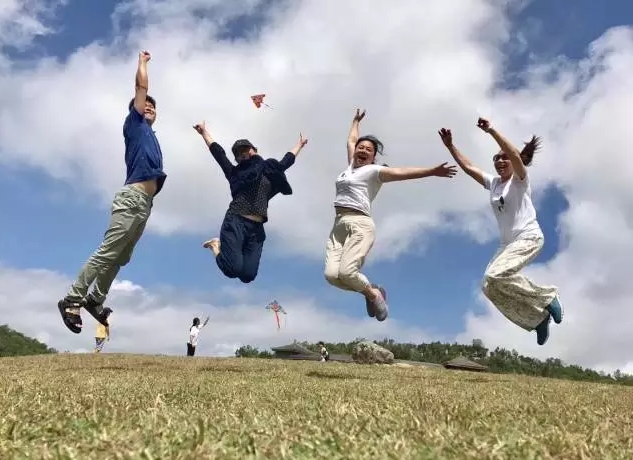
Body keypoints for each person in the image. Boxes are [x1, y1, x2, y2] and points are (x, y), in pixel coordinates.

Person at [57, 50, 166, 334]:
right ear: (137, 108)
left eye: (153, 106)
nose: (149, 107)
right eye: (145, 104)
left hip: (145, 204)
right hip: (131, 199)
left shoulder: (151, 137)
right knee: (107, 252)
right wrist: (142, 63)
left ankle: (95, 300)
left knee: (121, 257)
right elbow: (141, 87)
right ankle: (72, 300)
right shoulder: (134, 124)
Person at [438, 117, 563, 346]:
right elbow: (469, 168)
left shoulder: (520, 179)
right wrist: (450, 146)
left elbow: (514, 154)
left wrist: (492, 131)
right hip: (507, 244)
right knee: (489, 287)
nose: (500, 161)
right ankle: (537, 319)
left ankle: (548, 296)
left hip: (528, 236)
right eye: (496, 158)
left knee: (494, 275)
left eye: (504, 157)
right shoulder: (494, 183)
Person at [324, 109, 458, 322]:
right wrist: (355, 121)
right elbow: (350, 140)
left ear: (373, 157)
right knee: (332, 276)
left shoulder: (373, 171)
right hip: (338, 225)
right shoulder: (350, 168)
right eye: (361, 147)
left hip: (360, 223)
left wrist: (432, 171)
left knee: (347, 273)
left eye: (368, 149)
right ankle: (371, 291)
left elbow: (401, 172)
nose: (363, 150)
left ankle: (373, 295)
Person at [193, 121, 308, 283]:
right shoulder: (234, 173)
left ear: (254, 149)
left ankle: (230, 252)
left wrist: (300, 145)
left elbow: (287, 161)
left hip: (256, 229)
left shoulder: (269, 170)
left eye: (246, 149)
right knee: (233, 269)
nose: (244, 153)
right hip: (236, 220)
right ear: (237, 158)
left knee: (248, 275)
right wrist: (204, 133)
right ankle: (215, 246)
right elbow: (219, 154)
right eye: (239, 153)